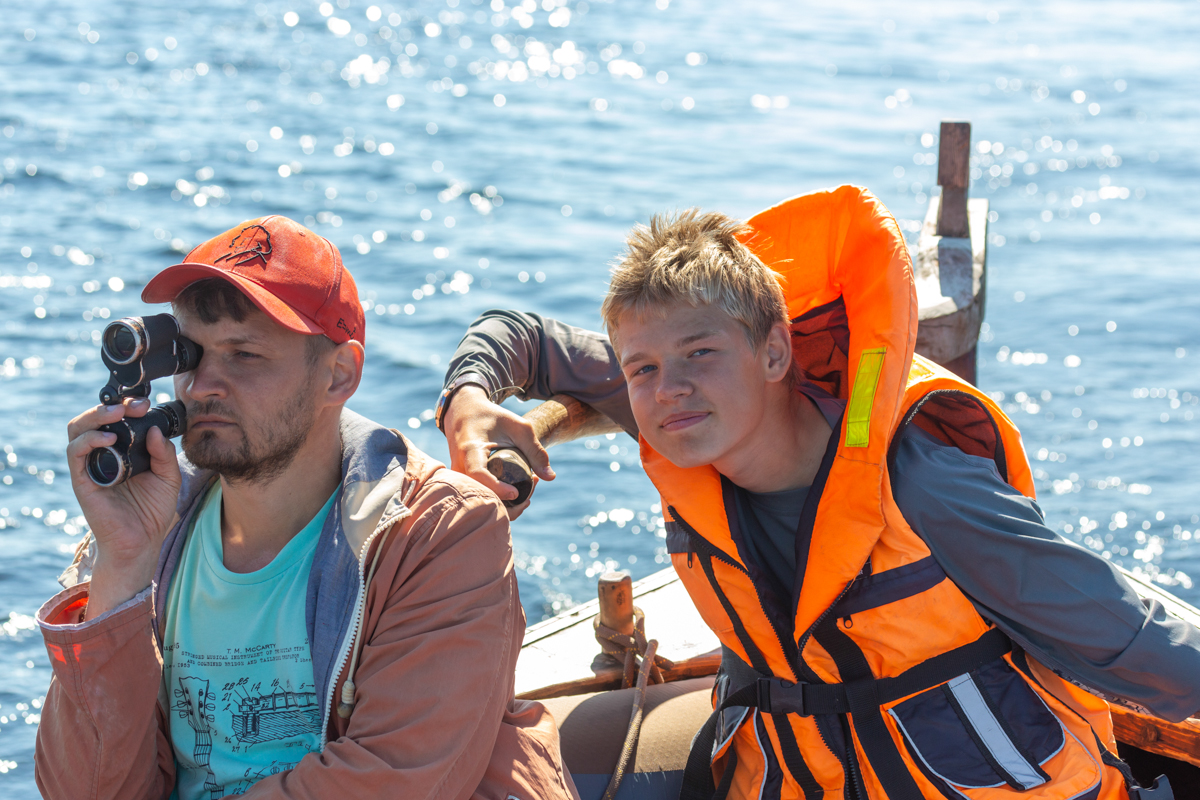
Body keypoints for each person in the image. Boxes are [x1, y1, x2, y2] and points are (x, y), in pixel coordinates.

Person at [437, 187, 1199, 799]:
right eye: (643, 369)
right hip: (795, 768)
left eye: (700, 353)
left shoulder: (923, 483)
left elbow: (1125, 632)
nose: (669, 389)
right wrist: (467, 398)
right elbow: (520, 337)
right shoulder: (683, 411)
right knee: (478, 763)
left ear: (775, 353)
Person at [35, 216, 578, 800]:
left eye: (244, 355)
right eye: (189, 356)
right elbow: (86, 790)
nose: (202, 385)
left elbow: (393, 779)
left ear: (339, 375)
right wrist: (121, 568)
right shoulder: (153, 530)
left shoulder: (440, 531)